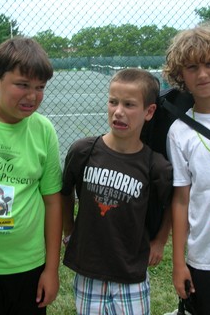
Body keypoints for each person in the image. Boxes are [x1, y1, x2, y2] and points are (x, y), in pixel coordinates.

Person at [61, 68, 173, 315]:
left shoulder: (156, 166)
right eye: (113, 102)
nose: (118, 111)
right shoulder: (83, 151)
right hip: (88, 270)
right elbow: (65, 191)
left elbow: (170, 205)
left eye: (129, 104)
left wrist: (160, 240)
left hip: (131, 272)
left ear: (149, 111)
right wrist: (69, 230)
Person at [0, 37, 62, 315]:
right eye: (22, 85)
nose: (32, 96)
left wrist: (51, 269)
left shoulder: (43, 131)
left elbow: (53, 202)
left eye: (40, 87)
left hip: (29, 266)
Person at [163, 25, 210, 315]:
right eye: (192, 67)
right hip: (205, 258)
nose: (202, 74)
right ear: (180, 75)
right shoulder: (179, 131)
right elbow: (181, 199)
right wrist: (178, 263)